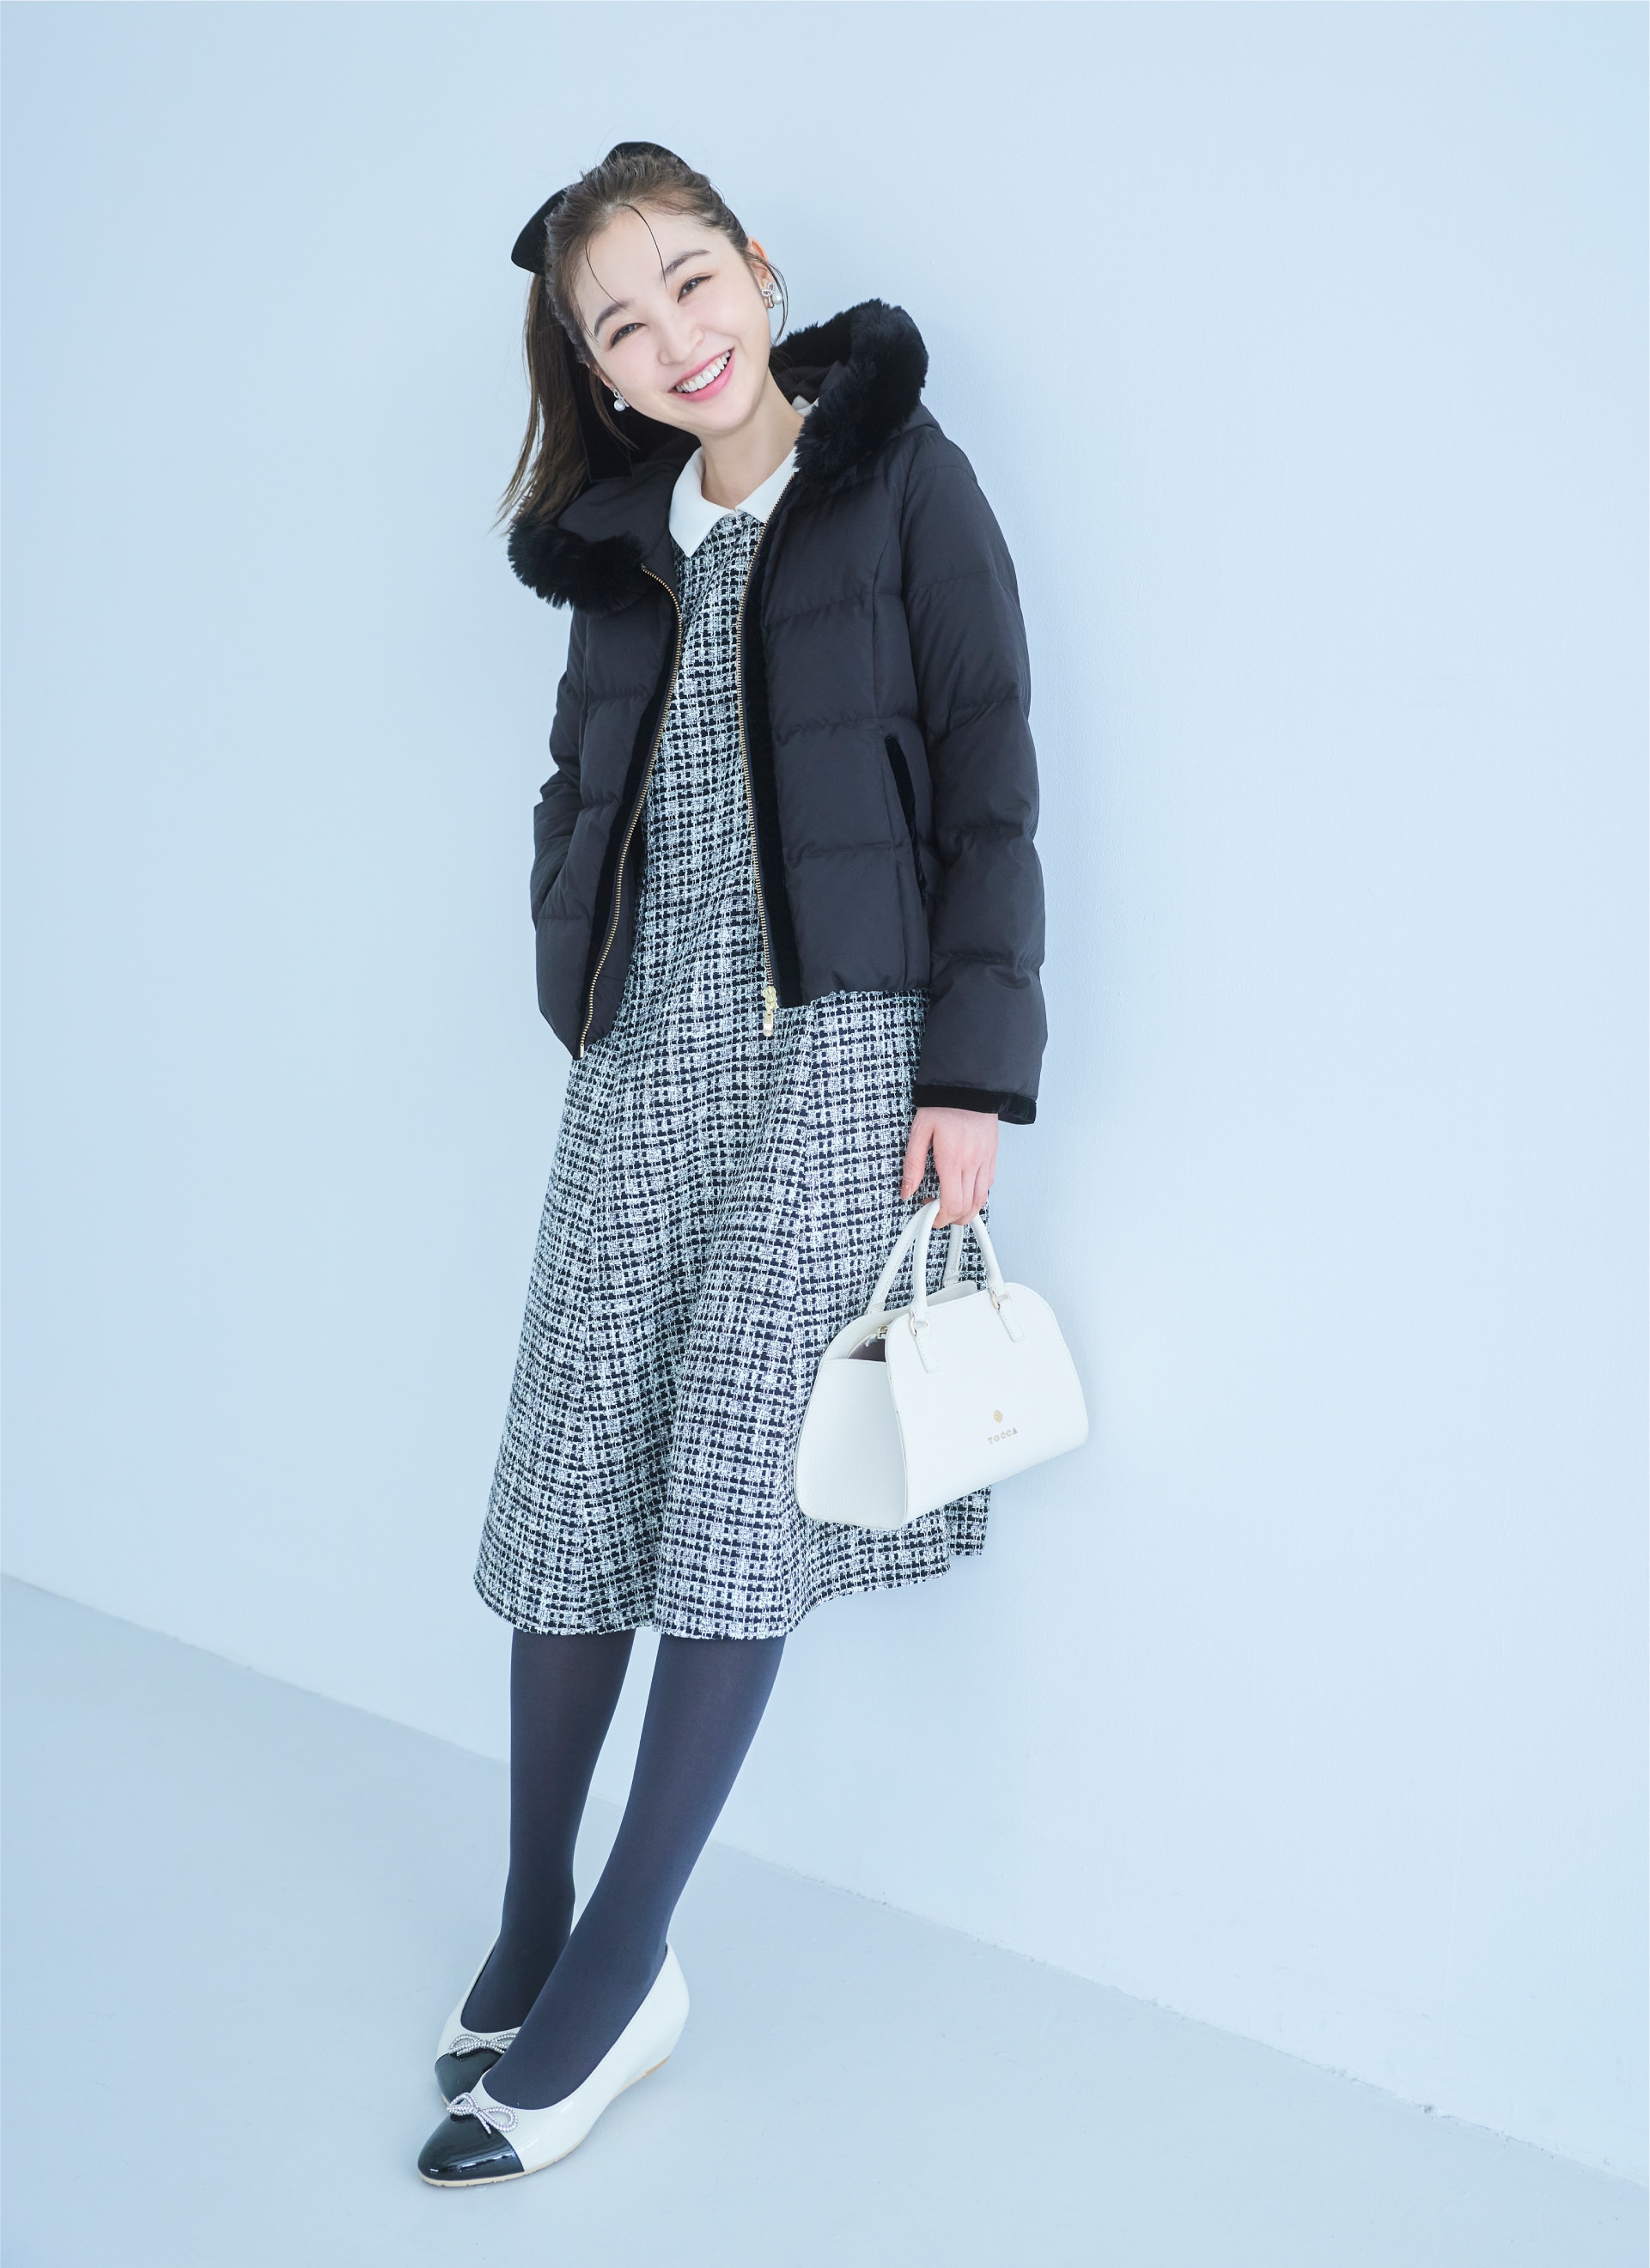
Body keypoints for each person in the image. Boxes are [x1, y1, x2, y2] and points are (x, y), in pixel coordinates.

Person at [417, 141, 1047, 2186]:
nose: (675, 337)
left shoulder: (903, 484)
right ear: (596, 372)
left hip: (842, 1048)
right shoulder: (622, 541)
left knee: (727, 1489)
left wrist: (972, 1070)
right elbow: (576, 775)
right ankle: (534, 1908)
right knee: (577, 1446)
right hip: (643, 1047)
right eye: (621, 324)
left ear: (759, 271)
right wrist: (568, 961)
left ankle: (624, 1962)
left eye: (692, 281)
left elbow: (990, 777)